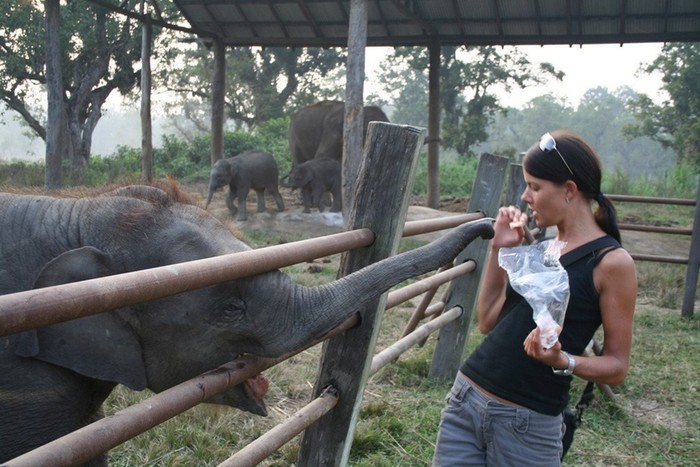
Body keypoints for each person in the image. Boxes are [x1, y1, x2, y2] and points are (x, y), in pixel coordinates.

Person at [432, 129, 637, 466]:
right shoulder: (541, 249)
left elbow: (617, 367)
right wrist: (501, 247)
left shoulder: (612, 263)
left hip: (529, 422)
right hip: (466, 400)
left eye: (535, 187)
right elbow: (487, 321)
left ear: (569, 190)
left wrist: (564, 362)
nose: (526, 196)